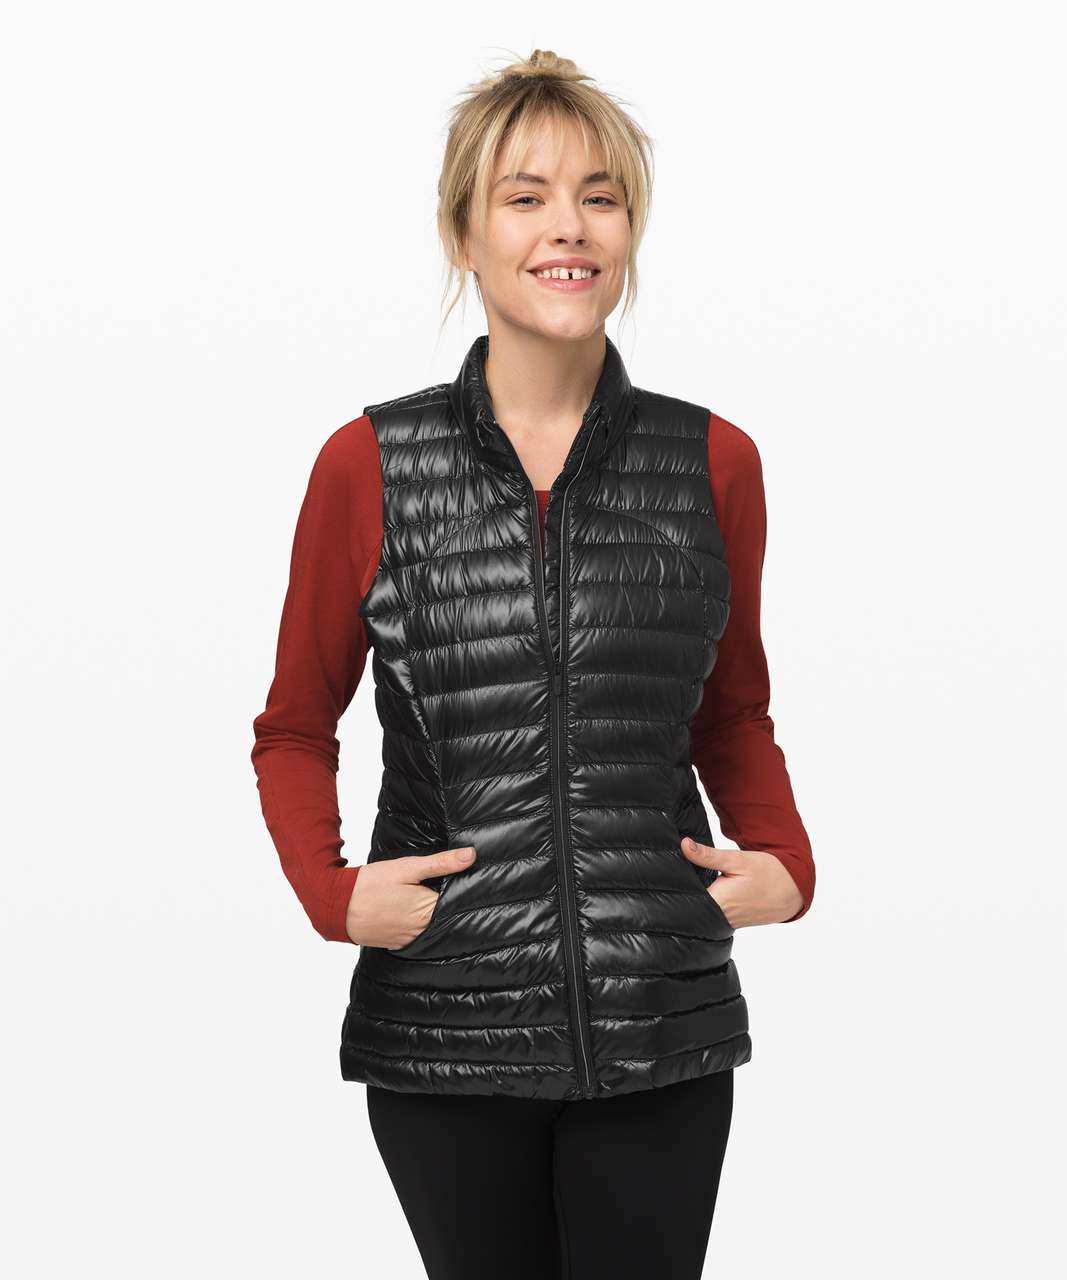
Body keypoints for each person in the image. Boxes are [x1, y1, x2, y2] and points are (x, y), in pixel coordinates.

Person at [251, 48, 815, 1280]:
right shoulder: (368, 464)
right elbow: (293, 724)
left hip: (657, 1016)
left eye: (599, 197)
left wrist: (787, 860)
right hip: (442, 1020)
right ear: (464, 233)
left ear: (628, 231)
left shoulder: (713, 461)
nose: (569, 226)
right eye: (525, 196)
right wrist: (329, 891)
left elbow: (731, 710)